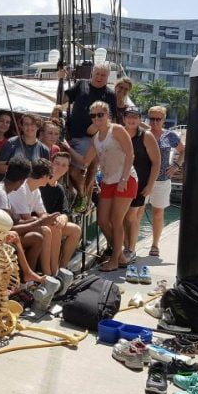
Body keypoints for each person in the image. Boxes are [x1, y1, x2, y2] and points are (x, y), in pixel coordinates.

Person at [64, 101, 137, 272]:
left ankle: (115, 260)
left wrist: (124, 179)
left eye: (100, 114)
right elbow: (85, 161)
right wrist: (67, 148)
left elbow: (130, 154)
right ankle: (120, 256)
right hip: (107, 181)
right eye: (93, 115)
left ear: (107, 115)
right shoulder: (96, 138)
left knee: (116, 221)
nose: (96, 118)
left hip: (125, 179)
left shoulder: (117, 130)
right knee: (103, 221)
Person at [0, 156, 49, 283]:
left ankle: (26, 279)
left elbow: (15, 221)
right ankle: (25, 282)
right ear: (22, 181)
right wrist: (39, 222)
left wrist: (36, 221)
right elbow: (8, 229)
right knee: (36, 238)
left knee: (36, 233)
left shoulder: (0, 189)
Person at [59, 64, 117, 212]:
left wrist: (96, 127)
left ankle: (83, 197)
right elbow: (61, 100)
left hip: (89, 139)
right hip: (71, 135)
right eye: (97, 74)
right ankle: (82, 199)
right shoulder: (81, 85)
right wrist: (61, 80)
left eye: (103, 75)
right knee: (66, 168)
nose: (99, 77)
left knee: (77, 170)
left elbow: (112, 118)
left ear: (107, 77)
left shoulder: (110, 95)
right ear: (92, 73)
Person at [7, 158, 64, 277]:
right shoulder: (21, 188)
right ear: (44, 176)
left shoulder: (36, 190)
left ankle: (55, 270)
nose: (51, 178)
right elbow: (27, 218)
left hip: (26, 223)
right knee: (46, 230)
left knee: (56, 228)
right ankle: (47, 273)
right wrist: (46, 220)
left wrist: (54, 220)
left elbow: (42, 213)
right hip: (16, 225)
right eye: (50, 176)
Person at [146, 105, 184, 257]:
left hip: (162, 179)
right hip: (143, 178)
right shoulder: (143, 134)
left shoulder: (170, 136)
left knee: (157, 213)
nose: (155, 122)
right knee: (136, 213)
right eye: (152, 119)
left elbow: (183, 150)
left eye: (158, 119)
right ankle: (130, 245)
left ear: (163, 119)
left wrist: (176, 166)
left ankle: (155, 244)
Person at [121, 107, 160, 255]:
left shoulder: (146, 136)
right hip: (121, 180)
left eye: (135, 117)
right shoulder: (119, 134)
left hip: (140, 182)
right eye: (128, 116)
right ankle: (124, 247)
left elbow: (156, 162)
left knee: (131, 216)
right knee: (121, 217)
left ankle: (131, 249)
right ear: (124, 118)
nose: (131, 120)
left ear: (140, 120)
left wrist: (150, 185)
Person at [39, 152, 83, 270]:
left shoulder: (59, 188)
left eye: (64, 165)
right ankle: (52, 270)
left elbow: (65, 211)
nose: (60, 167)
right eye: (57, 163)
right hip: (39, 222)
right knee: (56, 227)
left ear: (67, 169)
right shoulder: (40, 183)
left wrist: (63, 217)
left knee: (76, 230)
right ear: (51, 164)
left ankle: (63, 267)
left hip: (53, 223)